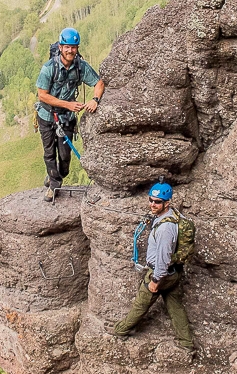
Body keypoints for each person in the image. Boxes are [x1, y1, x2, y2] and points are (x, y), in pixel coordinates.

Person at [110, 183, 195, 353]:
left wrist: (155, 280)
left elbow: (163, 258)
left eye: (157, 202)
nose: (152, 204)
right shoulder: (172, 216)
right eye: (151, 200)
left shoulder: (165, 229)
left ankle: (120, 331)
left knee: (141, 304)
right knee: (175, 306)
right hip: (174, 272)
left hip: (160, 273)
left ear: (167, 203)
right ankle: (186, 343)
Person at [35, 27, 105, 202]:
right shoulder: (49, 68)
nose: (70, 50)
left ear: (77, 48)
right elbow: (42, 95)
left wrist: (95, 100)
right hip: (46, 115)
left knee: (65, 158)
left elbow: (99, 83)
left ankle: (57, 174)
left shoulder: (81, 67)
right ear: (60, 47)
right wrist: (68, 104)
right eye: (67, 46)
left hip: (66, 119)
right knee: (49, 153)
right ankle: (54, 184)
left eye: (73, 47)